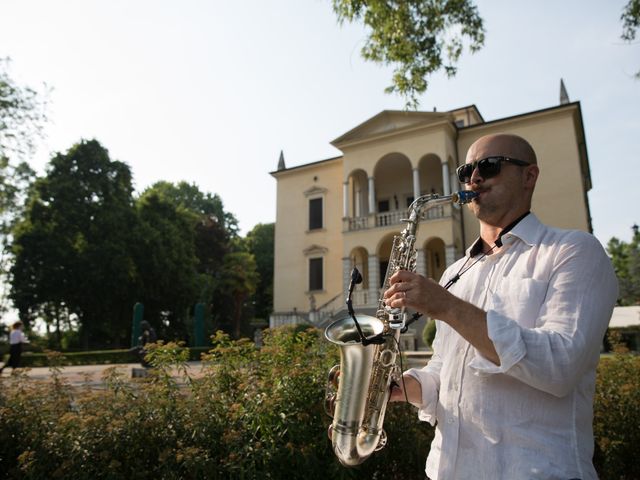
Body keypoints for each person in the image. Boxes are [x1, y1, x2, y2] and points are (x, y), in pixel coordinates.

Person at [384, 133, 618, 480]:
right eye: (467, 171)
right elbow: (444, 372)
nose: (474, 178)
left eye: (489, 166)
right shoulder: (454, 273)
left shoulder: (573, 252)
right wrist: (403, 386)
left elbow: (561, 365)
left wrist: (446, 306)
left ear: (529, 176)